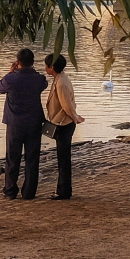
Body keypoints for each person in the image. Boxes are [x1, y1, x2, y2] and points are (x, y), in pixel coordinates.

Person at [0, 48, 48, 199]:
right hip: (34, 123)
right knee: (32, 158)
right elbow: (44, 84)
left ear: (17, 62)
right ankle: (29, 192)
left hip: (14, 123)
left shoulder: (11, 79)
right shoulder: (38, 79)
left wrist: (11, 72)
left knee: (12, 157)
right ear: (32, 63)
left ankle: (10, 190)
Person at [44, 54, 84, 200]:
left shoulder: (61, 83)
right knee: (63, 158)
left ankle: (64, 191)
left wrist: (75, 117)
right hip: (61, 122)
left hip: (64, 124)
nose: (45, 68)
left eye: (46, 65)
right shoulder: (60, 79)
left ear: (52, 67)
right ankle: (63, 189)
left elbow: (66, 104)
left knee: (64, 159)